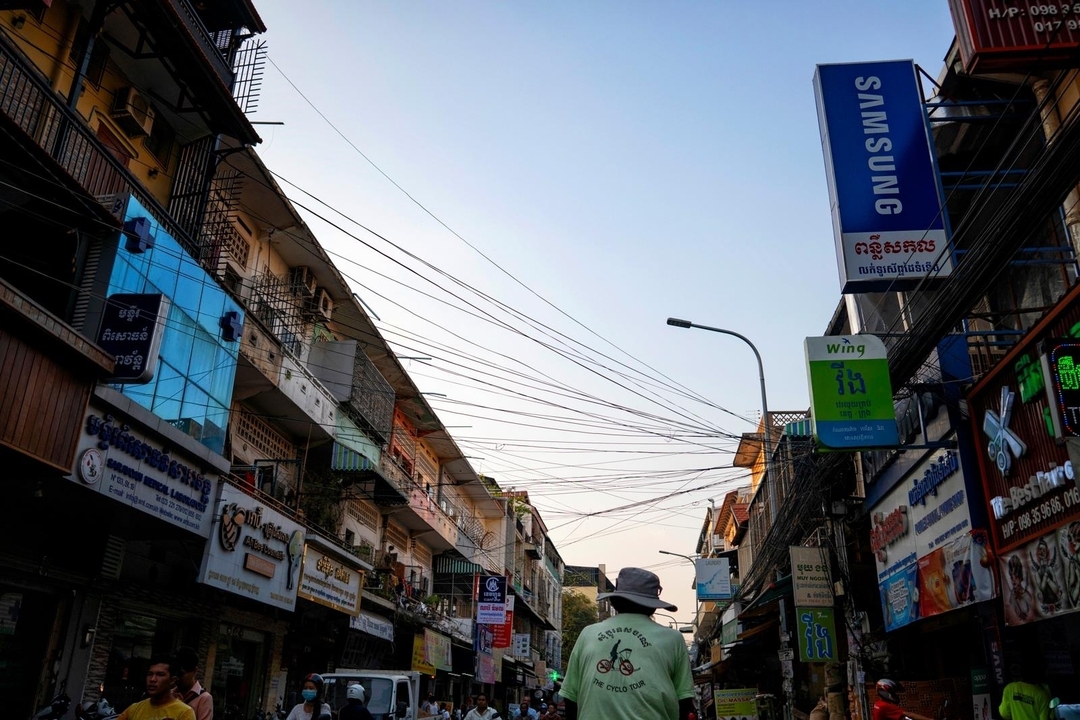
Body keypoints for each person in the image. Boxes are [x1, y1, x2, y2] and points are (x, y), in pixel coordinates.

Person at [559, 567, 694, 720]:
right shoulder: (673, 638)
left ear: (616, 601)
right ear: (653, 605)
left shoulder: (588, 633)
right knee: (613, 659)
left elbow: (570, 697)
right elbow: (684, 699)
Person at [116, 655, 196, 720]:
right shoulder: (134, 709)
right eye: (150, 674)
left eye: (160, 674)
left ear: (172, 680)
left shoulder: (184, 713)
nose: (152, 679)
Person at [175, 646, 213, 720]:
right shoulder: (171, 693)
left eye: (182, 674)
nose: (178, 678)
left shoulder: (204, 698)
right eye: (176, 674)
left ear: (195, 671)